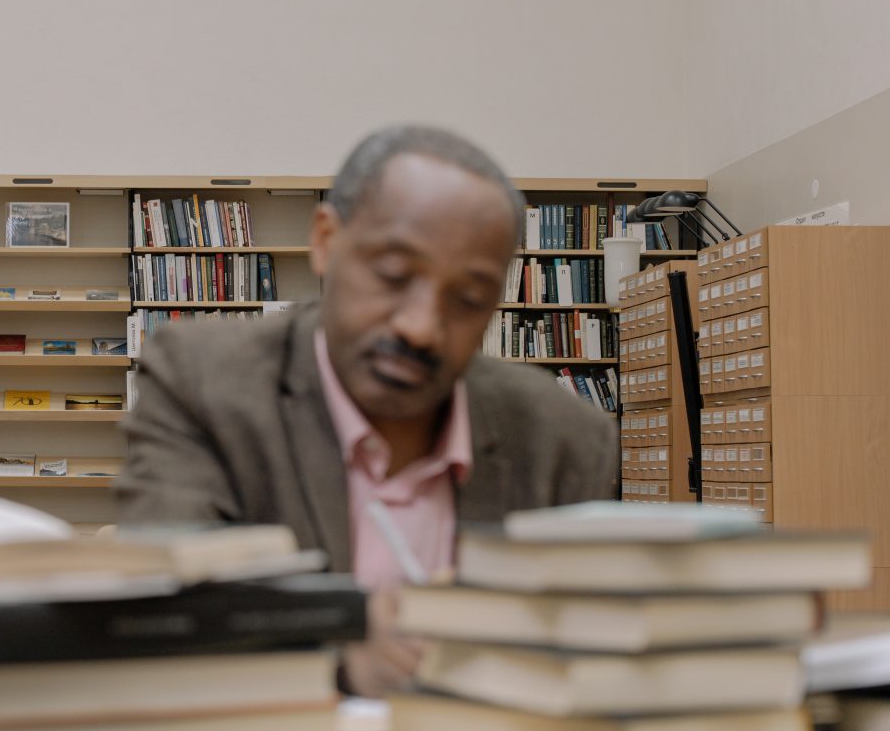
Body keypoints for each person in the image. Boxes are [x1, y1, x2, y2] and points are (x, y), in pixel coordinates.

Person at [116, 125, 619, 696]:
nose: (421, 328)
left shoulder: (565, 440)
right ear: (327, 241)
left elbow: (589, 655)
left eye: (469, 300)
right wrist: (334, 648)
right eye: (393, 276)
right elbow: (159, 612)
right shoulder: (204, 383)